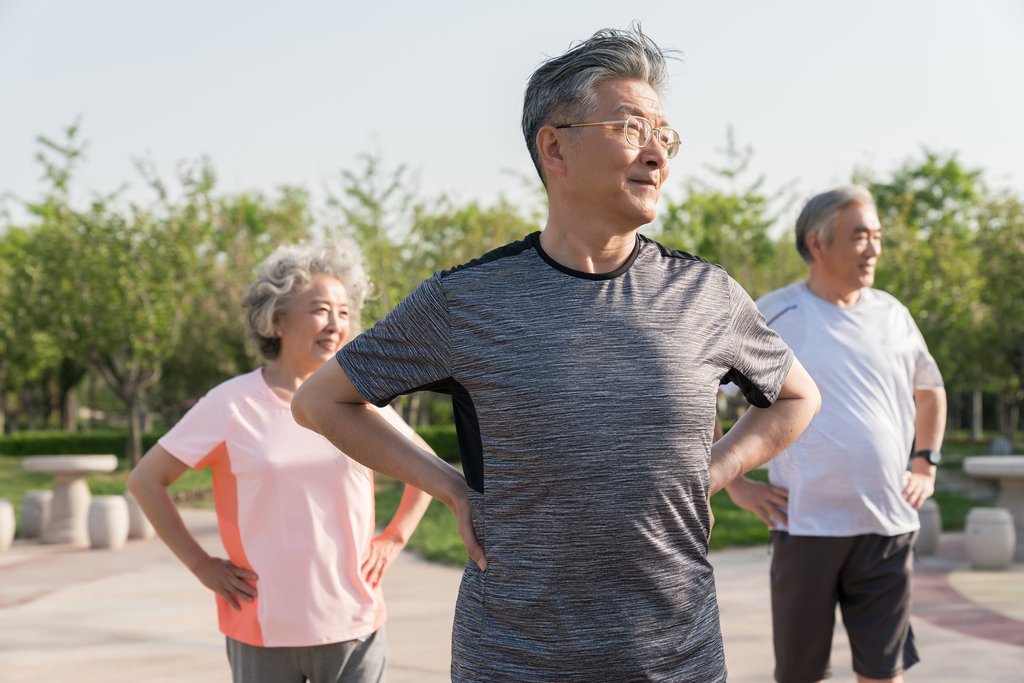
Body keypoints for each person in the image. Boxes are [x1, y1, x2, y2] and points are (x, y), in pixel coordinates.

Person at [292, 27, 820, 682]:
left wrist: (714, 470)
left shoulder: (707, 294)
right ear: (555, 147)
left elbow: (800, 395)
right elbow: (320, 400)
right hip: (513, 660)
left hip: (675, 661)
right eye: (631, 128)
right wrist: (448, 486)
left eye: (665, 135)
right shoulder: (467, 300)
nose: (658, 154)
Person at [127, 241, 433, 683]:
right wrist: (201, 564)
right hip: (259, 625)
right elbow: (146, 481)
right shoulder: (230, 404)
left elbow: (425, 466)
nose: (336, 323)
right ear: (277, 319)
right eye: (320, 309)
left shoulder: (360, 402)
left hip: (354, 619)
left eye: (345, 312)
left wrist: (395, 538)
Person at [723, 185, 947, 683]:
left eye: (878, 236)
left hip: (886, 525)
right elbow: (703, 393)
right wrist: (736, 482)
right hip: (805, 526)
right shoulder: (773, 314)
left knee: (884, 672)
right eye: (860, 236)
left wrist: (925, 464)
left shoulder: (894, 314)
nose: (874, 248)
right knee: (802, 675)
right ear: (817, 243)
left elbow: (930, 391)